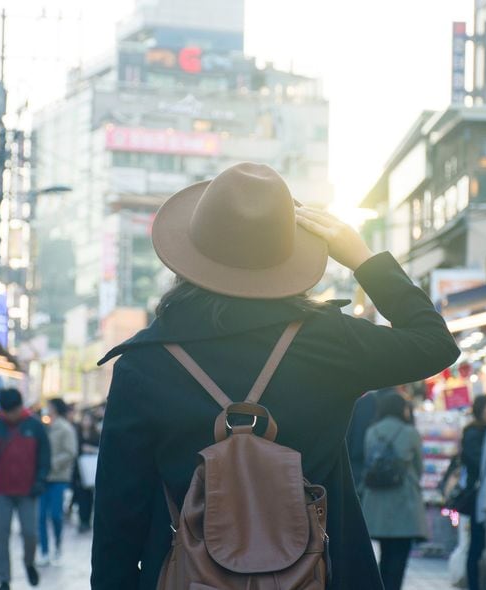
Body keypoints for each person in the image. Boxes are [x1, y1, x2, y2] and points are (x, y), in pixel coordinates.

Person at [90, 163, 460, 588]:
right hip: (322, 574)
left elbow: (119, 514)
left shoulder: (145, 362)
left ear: (190, 255)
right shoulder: (329, 342)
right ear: (286, 257)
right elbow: (435, 343)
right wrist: (363, 259)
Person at [0, 389, 50, 590]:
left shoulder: (35, 426)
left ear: (21, 407)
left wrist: (40, 481)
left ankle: (29, 562)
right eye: (7, 412)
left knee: (30, 533)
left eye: (14, 411)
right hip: (1, 491)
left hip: (28, 491)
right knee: (1, 537)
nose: (11, 415)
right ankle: (4, 580)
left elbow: (44, 457)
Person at [360, 394, 427, 590]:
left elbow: (367, 460)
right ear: (402, 409)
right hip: (404, 502)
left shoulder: (372, 431)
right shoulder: (410, 432)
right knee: (399, 557)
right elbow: (419, 467)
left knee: (384, 553)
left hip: (376, 501)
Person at [461, 394, 486, 590]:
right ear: (480, 409)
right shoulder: (473, 433)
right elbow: (479, 463)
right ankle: (474, 584)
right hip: (478, 495)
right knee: (476, 543)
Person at [38, 398, 76, 566]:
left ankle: (58, 545)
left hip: (58, 478)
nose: (47, 409)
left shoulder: (65, 428)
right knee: (40, 516)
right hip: (43, 478)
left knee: (55, 515)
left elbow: (70, 452)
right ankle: (44, 551)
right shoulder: (44, 426)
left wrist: (52, 463)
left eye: (49, 406)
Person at [71, 411, 100, 533]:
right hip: (79, 470)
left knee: (90, 497)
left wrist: (91, 449)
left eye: (88, 420)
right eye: (84, 420)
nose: (86, 422)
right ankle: (82, 521)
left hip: (92, 469)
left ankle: (87, 521)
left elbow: (101, 449)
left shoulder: (96, 435)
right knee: (81, 496)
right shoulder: (76, 434)